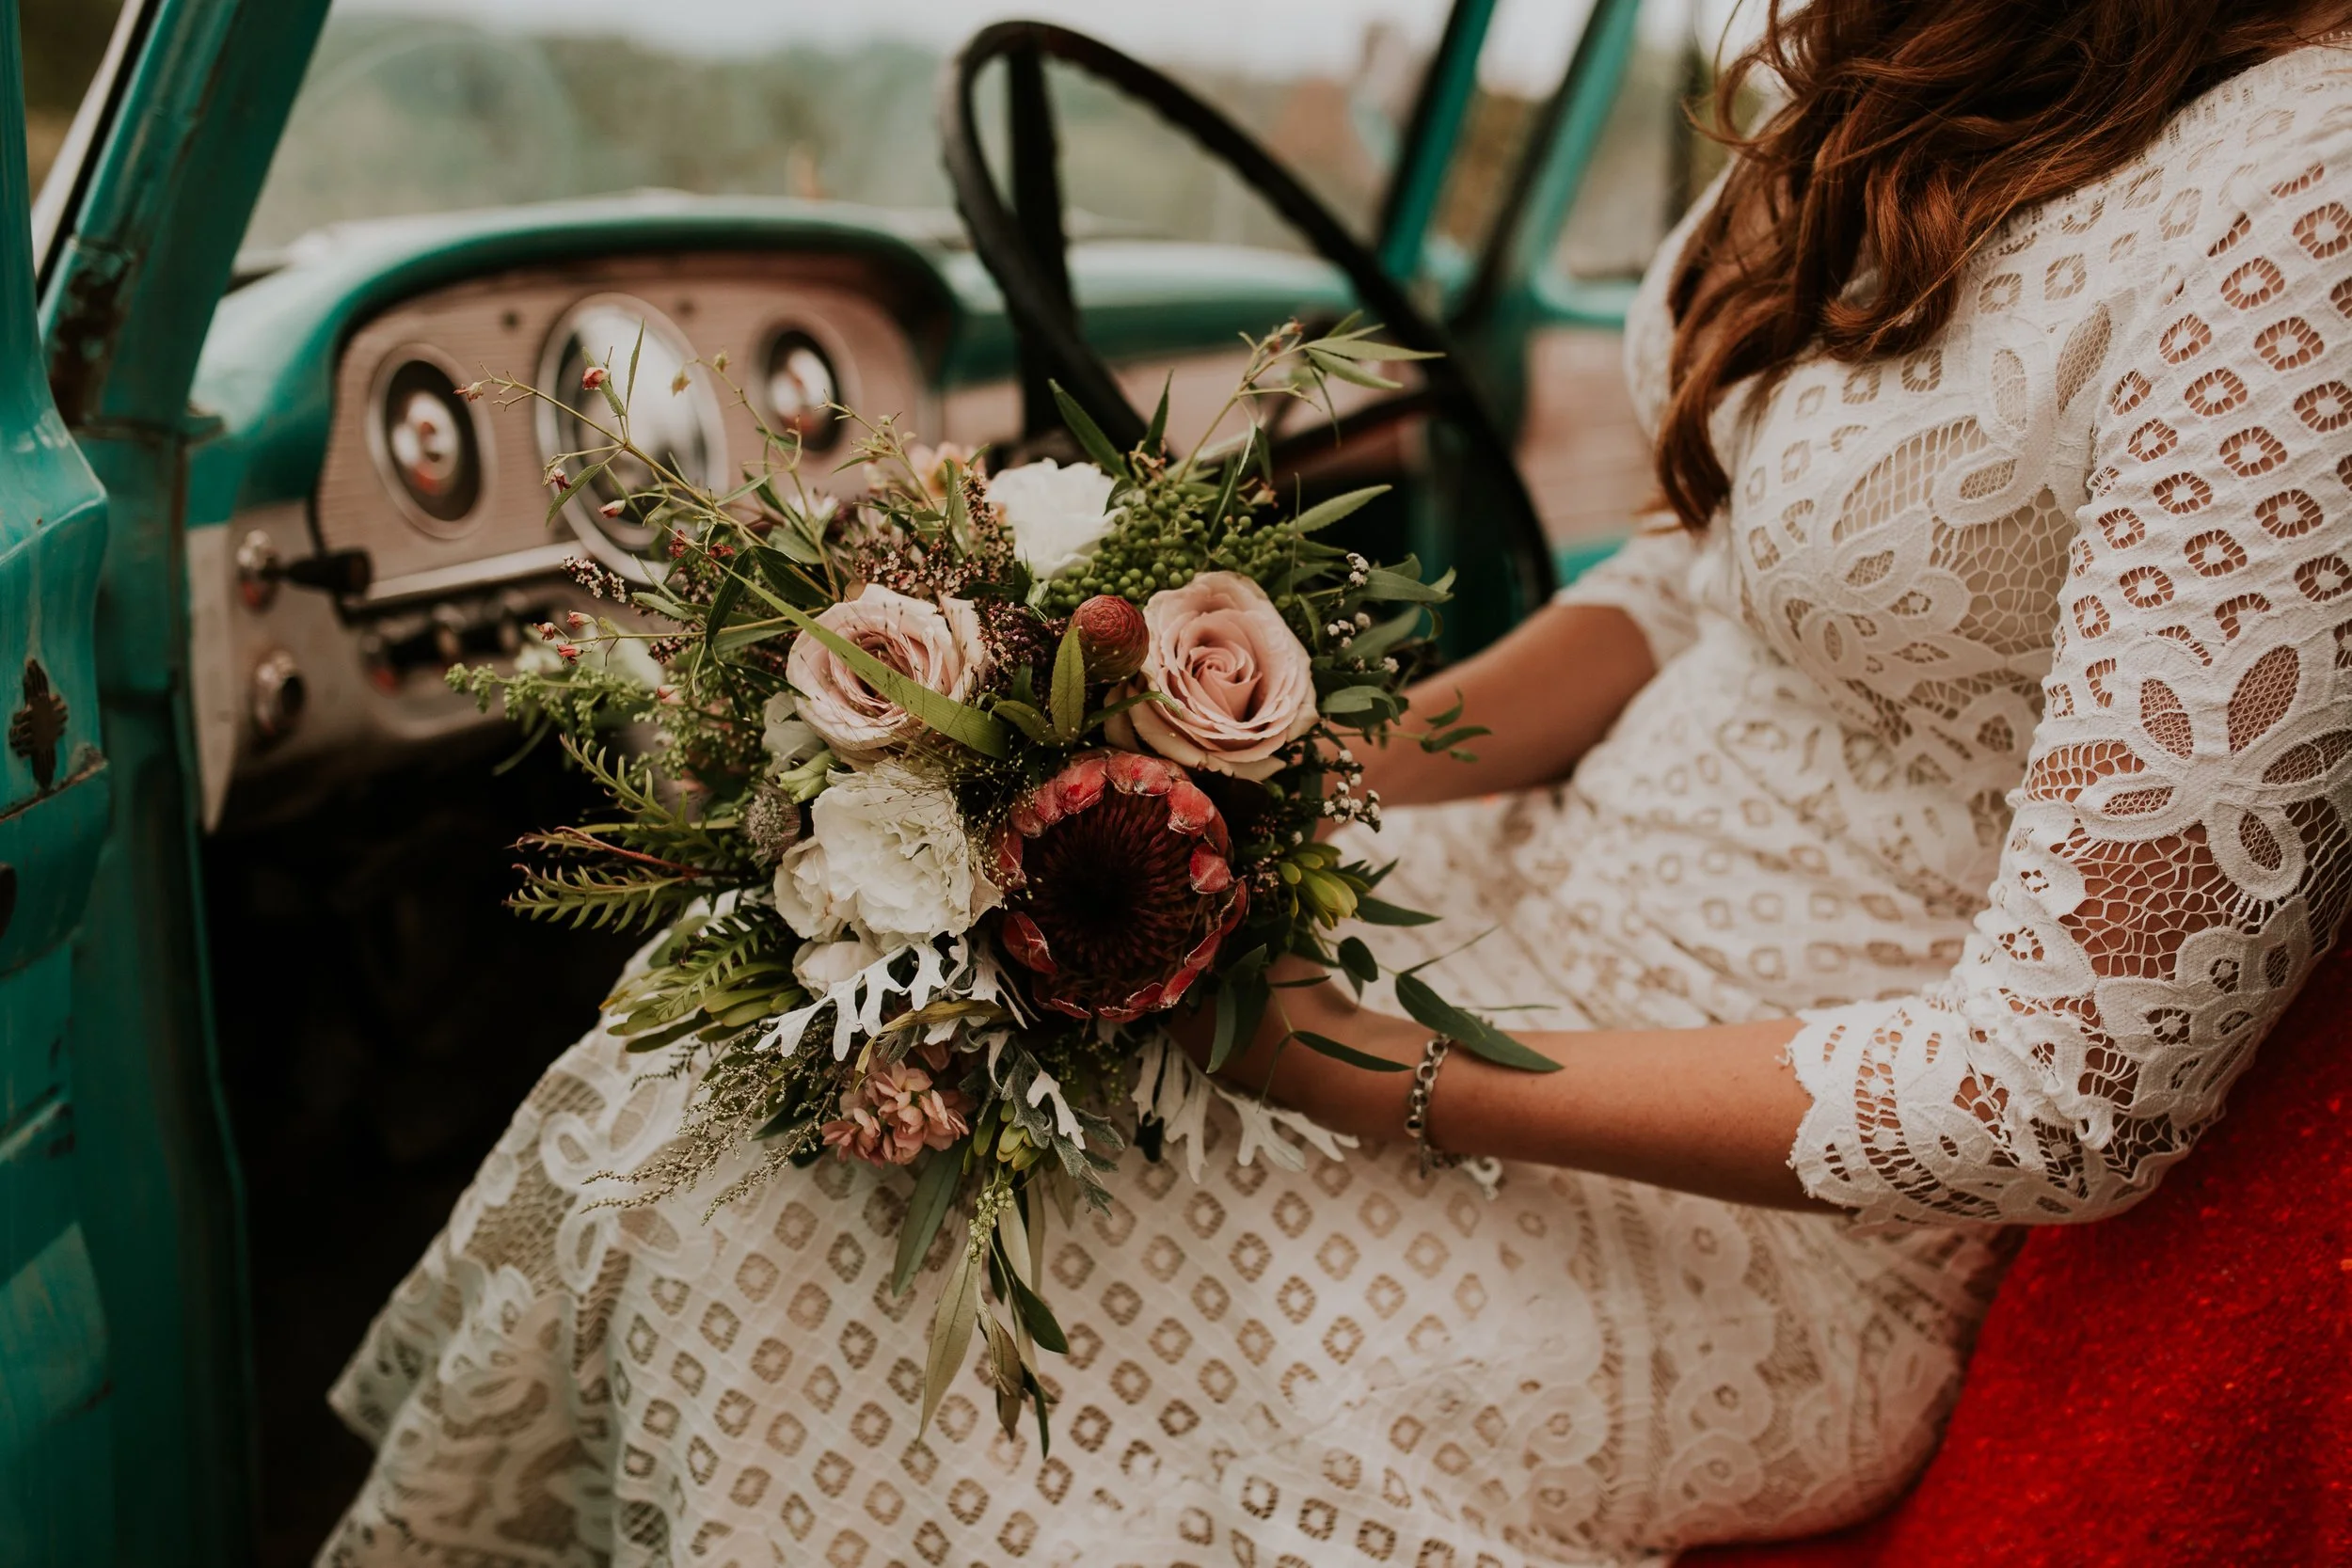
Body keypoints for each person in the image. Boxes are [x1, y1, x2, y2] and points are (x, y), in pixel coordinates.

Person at [320, 4, 2352, 1563]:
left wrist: (1350, 1061)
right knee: (742, 1078)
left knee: (817, 1234)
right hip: (1493, 906)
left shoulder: (2295, 198)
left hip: (1750, 1204)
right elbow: (1696, 577)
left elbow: (2061, 1085)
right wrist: (1275, 761)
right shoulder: (1906, 72)